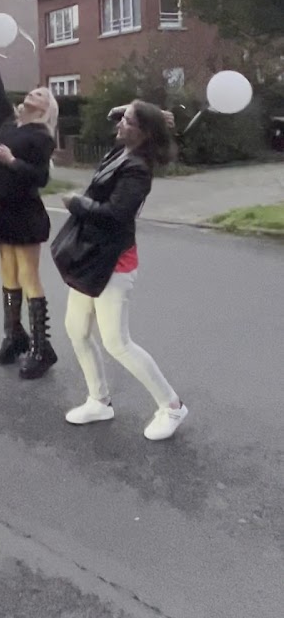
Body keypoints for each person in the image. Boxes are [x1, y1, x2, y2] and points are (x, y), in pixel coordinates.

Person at [60, 101, 188, 441]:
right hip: (92, 255)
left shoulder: (138, 169)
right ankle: (99, 401)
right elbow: (114, 115)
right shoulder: (123, 149)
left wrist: (77, 203)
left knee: (117, 342)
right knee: (76, 329)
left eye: (128, 121)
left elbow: (116, 215)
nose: (119, 124)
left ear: (143, 133)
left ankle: (172, 406)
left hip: (113, 263)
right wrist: (137, 109)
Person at [0, 52, 59, 379]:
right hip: (6, 209)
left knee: (28, 276)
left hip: (27, 212)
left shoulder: (41, 137)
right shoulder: (12, 123)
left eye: (39, 94)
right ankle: (14, 336)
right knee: (8, 274)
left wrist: (12, 161)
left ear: (45, 108)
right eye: (32, 91)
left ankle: (42, 347)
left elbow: (40, 178)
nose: (31, 94)